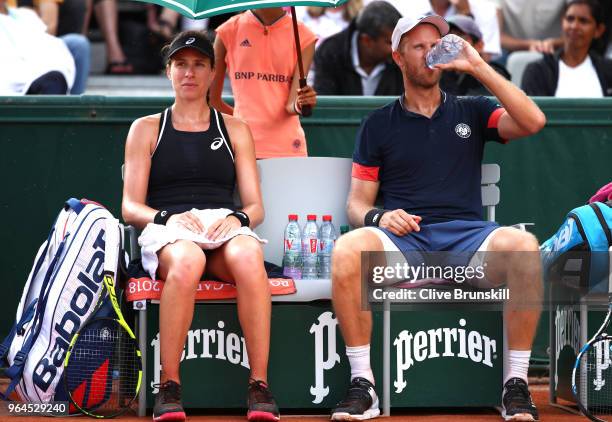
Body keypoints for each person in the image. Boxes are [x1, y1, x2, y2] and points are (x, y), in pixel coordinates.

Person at [329, 13, 546, 422]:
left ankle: (515, 386)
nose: (431, 54)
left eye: (436, 45)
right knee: (345, 250)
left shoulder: (474, 109)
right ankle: (364, 385)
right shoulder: (377, 124)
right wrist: (380, 218)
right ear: (397, 56)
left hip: (467, 241)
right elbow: (356, 205)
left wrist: (478, 65)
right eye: (419, 46)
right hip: (407, 243)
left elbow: (534, 121)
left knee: (524, 249)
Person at [121, 31, 279, 422]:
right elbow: (129, 206)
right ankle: (169, 385)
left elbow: (255, 206)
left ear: (212, 73)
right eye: (180, 64)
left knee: (249, 254)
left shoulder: (234, 128)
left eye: (198, 64)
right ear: (169, 72)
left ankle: (259, 384)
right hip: (170, 229)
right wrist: (166, 218)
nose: (189, 72)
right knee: (188, 261)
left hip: (221, 229)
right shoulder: (146, 128)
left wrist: (236, 219)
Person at [210, 7, 317, 159]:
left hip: (287, 150)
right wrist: (241, 121)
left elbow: (291, 105)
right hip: (239, 146)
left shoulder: (304, 35)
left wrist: (303, 102)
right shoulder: (227, 31)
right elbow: (212, 101)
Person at [521, 0, 612, 97]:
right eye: (570, 19)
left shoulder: (608, 70)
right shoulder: (538, 71)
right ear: (562, 22)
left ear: (598, 30)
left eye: (583, 21)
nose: (574, 26)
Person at [313, 1, 403, 96]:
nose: (399, 48)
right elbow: (325, 106)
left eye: (400, 40)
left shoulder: (402, 58)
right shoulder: (329, 53)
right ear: (367, 41)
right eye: (391, 42)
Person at [0, 0, 75, 95]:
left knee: (55, 79)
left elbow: (48, 46)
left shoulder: (26, 16)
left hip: (33, 76)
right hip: (7, 84)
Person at [440, 14, 510, 95]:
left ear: (479, 46)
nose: (451, 44)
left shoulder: (494, 74)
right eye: (446, 38)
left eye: (459, 38)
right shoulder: (438, 73)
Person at [492, 0, 565, 55]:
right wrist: (529, 45)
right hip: (509, 52)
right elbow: (496, 36)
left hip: (559, 50)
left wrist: (554, 43)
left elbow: (575, 26)